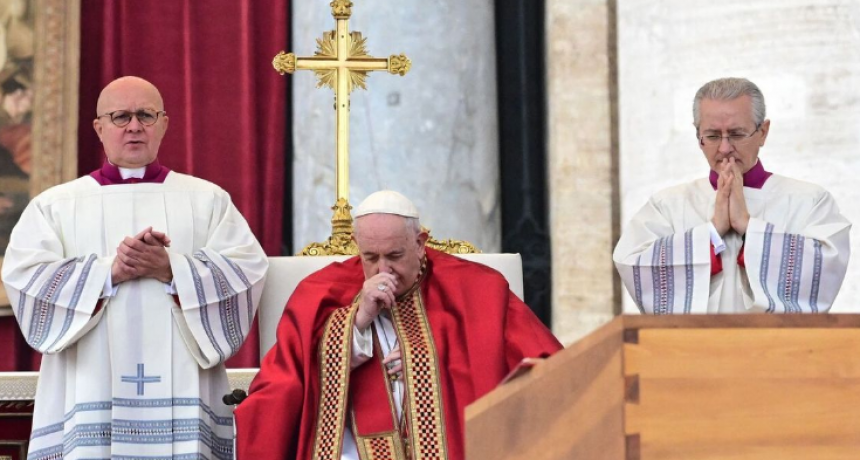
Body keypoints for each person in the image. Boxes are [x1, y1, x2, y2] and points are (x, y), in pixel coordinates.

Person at [1, 76, 268, 459]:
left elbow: (245, 271)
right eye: (120, 116)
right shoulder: (55, 206)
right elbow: (26, 277)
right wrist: (110, 272)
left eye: (146, 114)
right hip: (89, 383)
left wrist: (172, 269)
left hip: (183, 391)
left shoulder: (207, 200)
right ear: (99, 127)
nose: (134, 126)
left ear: (164, 123)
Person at [234, 190, 562, 460]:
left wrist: (426, 367)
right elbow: (286, 379)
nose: (383, 271)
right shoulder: (322, 292)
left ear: (420, 243)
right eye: (370, 258)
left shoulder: (477, 288)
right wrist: (356, 321)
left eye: (394, 255)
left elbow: (541, 368)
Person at [613, 77, 851, 314]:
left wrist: (748, 227)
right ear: (699, 138)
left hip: (777, 346)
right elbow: (633, 264)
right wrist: (712, 232)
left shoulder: (808, 201)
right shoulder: (667, 206)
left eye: (736, 134)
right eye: (713, 136)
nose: (725, 148)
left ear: (763, 132)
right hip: (695, 348)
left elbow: (825, 265)